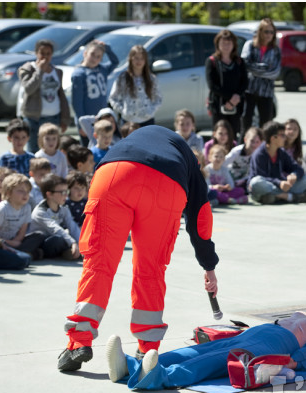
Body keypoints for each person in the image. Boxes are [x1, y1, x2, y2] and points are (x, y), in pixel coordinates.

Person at [57, 125, 219, 373]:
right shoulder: (188, 160)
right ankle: (147, 348)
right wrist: (208, 265)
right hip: (166, 185)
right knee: (151, 269)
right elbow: (200, 218)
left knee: (98, 263)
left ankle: (78, 342)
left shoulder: (135, 138)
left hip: (114, 173)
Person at [105, 308, 306, 390]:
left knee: (213, 359)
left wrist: (289, 364)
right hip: (263, 332)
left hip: (277, 343)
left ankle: (159, 377)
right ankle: (129, 366)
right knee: (201, 351)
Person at [17, 39, 70, 153]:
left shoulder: (57, 71)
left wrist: (65, 118)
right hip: (34, 117)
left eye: (48, 53)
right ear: (36, 53)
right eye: (42, 53)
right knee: (34, 149)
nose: (45, 57)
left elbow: (60, 95)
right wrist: (39, 71)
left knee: (51, 149)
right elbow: (29, 89)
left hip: (53, 117)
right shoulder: (27, 69)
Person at [247, 121, 306, 204]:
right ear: (273, 138)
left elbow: (296, 167)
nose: (285, 138)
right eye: (282, 135)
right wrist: (279, 183)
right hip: (263, 187)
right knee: (256, 182)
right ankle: (289, 197)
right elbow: (261, 176)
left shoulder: (281, 152)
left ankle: (275, 196)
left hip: (278, 186)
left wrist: (294, 175)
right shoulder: (259, 154)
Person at [71, 40, 119, 146]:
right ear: (85, 53)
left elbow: (115, 61)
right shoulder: (78, 74)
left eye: (98, 57)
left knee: (105, 145)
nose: (95, 59)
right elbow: (77, 102)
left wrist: (107, 48)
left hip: (102, 117)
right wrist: (80, 125)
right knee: (90, 148)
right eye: (92, 54)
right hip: (88, 121)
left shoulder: (102, 69)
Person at [241, 18, 281, 137]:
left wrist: (256, 69)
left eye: (271, 32)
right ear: (260, 32)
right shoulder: (250, 45)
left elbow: (275, 73)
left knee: (266, 126)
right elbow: (245, 65)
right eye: (266, 31)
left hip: (267, 92)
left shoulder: (275, 50)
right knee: (246, 124)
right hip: (249, 90)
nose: (269, 35)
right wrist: (265, 68)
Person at [206, 30, 248, 139]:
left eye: (229, 43)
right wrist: (229, 98)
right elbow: (212, 85)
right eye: (223, 43)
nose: (226, 46)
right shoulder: (212, 61)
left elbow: (245, 82)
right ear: (217, 44)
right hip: (218, 105)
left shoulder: (239, 62)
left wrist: (236, 98)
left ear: (234, 44)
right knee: (219, 135)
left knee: (233, 135)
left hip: (236, 105)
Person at [0, 173, 46, 260]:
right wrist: (6, 242)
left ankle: (19, 253)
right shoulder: (2, 208)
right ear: (9, 192)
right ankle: (26, 254)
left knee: (39, 235)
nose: (25, 194)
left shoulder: (27, 207)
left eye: (28, 191)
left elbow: (21, 234)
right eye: (21, 191)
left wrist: (16, 242)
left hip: (15, 241)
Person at [30, 173, 81, 260]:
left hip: (55, 238)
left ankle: (71, 251)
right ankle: (66, 251)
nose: (66, 195)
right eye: (62, 192)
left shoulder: (63, 207)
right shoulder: (40, 211)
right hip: (42, 243)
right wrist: (73, 242)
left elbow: (72, 225)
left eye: (67, 191)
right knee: (58, 239)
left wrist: (81, 244)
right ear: (49, 194)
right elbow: (54, 228)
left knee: (67, 233)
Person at [109, 45, 162, 127]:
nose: (139, 61)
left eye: (142, 58)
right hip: (128, 121)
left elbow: (158, 98)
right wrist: (123, 110)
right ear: (131, 58)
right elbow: (113, 97)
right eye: (136, 58)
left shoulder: (151, 78)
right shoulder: (123, 78)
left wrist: (151, 110)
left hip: (147, 119)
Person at [225, 126, 262, 191]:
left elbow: (255, 172)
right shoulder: (237, 151)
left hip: (244, 180)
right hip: (230, 177)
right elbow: (223, 163)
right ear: (245, 140)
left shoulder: (258, 154)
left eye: (257, 142)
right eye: (252, 141)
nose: (254, 144)